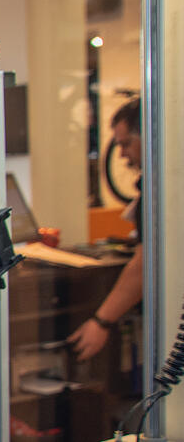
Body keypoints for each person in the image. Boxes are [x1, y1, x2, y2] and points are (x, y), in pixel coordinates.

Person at [67, 97, 144, 360]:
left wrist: (101, 321)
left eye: (125, 144)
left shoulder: (160, 193)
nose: (122, 155)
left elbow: (144, 265)